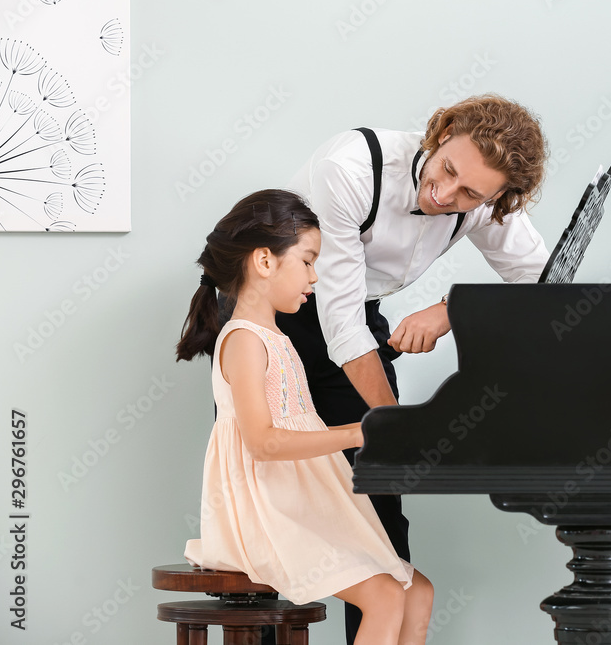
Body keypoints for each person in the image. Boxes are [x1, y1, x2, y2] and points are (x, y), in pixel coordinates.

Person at [278, 94, 550, 644]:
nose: (445, 194)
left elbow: (542, 282)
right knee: (279, 495)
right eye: (447, 169)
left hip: (355, 315)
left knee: (380, 509)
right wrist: (395, 427)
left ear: (498, 199)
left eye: (471, 193)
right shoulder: (349, 168)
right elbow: (341, 321)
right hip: (272, 316)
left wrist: (453, 310)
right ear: (441, 131)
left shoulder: (487, 203)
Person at [177, 189, 433, 645]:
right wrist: (358, 432)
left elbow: (297, 422)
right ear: (264, 261)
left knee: (418, 591)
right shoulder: (243, 340)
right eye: (309, 261)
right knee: (385, 597)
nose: (316, 276)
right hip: (265, 512)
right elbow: (263, 442)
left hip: (302, 504)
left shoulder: (277, 337)